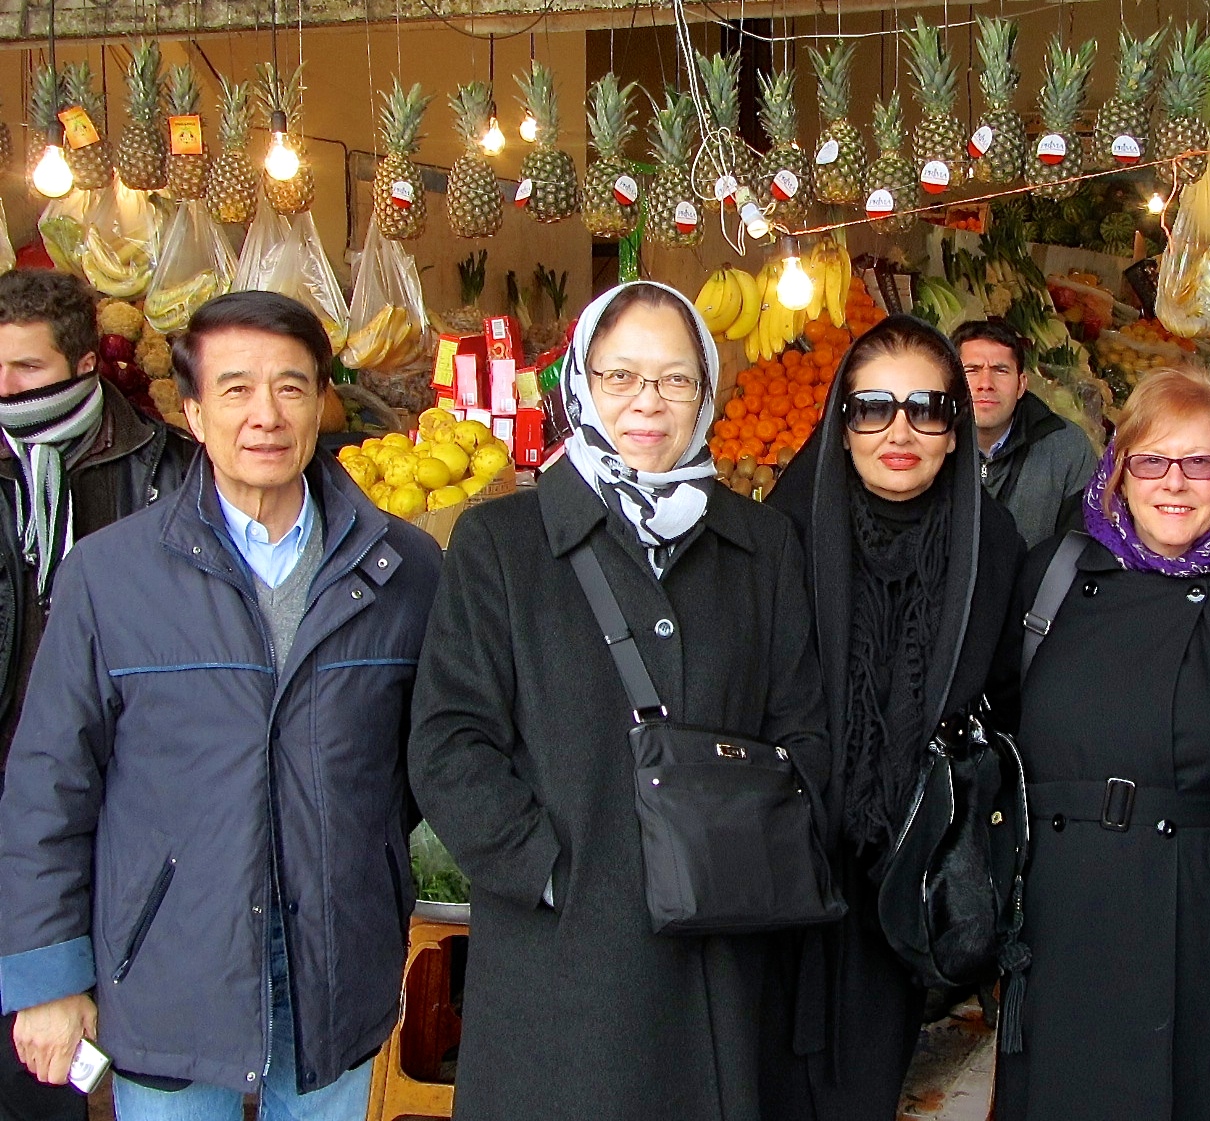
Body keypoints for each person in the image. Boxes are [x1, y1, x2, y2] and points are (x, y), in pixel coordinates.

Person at [0, 290, 441, 1120]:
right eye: (236, 389)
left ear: (320, 404)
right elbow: (48, 783)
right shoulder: (110, 576)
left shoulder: (403, 570)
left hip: (331, 965)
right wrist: (49, 977)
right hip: (170, 960)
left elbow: (421, 760)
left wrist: (365, 860)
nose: (264, 415)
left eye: (290, 387)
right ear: (195, 414)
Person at [407, 280, 829, 1121]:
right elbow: (450, 741)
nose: (649, 403)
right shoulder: (503, 544)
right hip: (562, 962)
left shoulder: (762, 546)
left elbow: (803, 727)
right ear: (579, 387)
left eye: (676, 379)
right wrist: (552, 869)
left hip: (716, 958)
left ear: (706, 393)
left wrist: (749, 855)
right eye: (622, 376)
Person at [992, 366, 1210, 1121]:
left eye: (1201, 461)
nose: (1175, 482)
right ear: (1117, 470)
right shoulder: (1051, 577)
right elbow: (996, 744)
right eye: (1152, 460)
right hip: (1064, 922)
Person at [761, 315, 1024, 1121]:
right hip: (776, 884)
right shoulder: (781, 537)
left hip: (900, 887)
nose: (899, 430)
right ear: (841, 427)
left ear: (957, 430)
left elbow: (1008, 707)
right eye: (872, 407)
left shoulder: (995, 548)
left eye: (927, 408)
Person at [0, 269, 192, 1121]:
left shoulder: (166, 469)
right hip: (13, 772)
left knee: (77, 1047)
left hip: (118, 794)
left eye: (25, 372)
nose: (4, 391)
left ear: (83, 363)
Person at [952, 319, 1096, 548]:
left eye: (1000, 370)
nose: (985, 383)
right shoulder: (929, 443)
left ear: (1021, 385)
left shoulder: (1067, 448)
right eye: (972, 370)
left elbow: (1080, 548)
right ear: (952, 382)